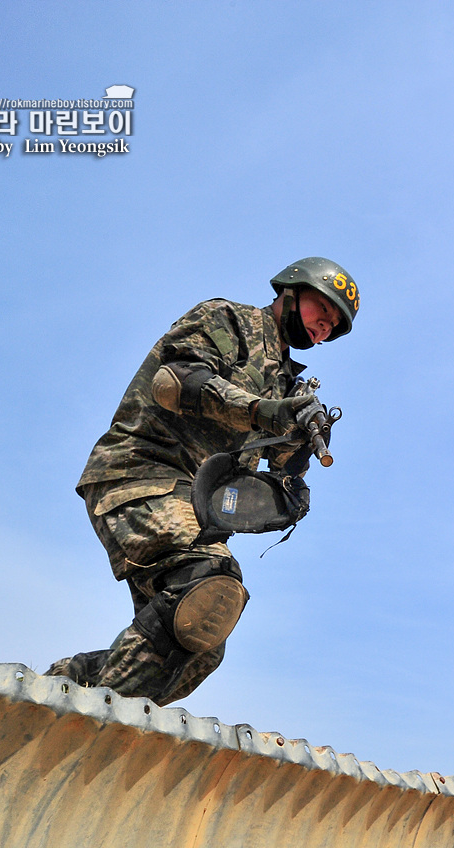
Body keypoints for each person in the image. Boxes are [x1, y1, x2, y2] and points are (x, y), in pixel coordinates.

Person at [45, 257, 360, 706]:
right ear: (290, 291)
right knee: (209, 582)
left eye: (331, 327)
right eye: (320, 313)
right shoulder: (227, 320)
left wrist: (301, 448)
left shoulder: (288, 384)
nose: (322, 329)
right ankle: (85, 720)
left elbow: (280, 473)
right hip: (141, 471)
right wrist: (262, 410)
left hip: (196, 506)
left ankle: (72, 689)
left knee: (202, 641)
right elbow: (175, 382)